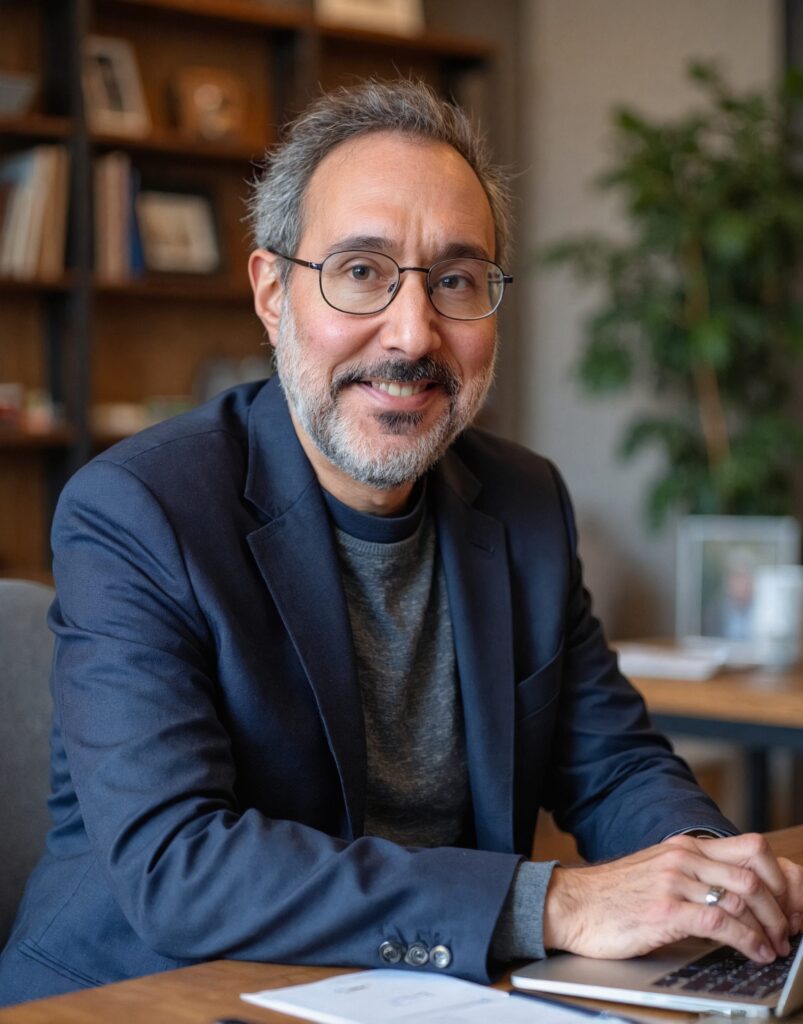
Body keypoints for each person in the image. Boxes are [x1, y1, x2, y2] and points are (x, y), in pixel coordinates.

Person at [1, 79, 801, 1007]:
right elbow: (180, 864)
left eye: (455, 280)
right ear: (272, 293)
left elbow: (613, 763)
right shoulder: (139, 510)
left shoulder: (524, 501)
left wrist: (709, 877)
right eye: (360, 271)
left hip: (431, 991)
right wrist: (555, 904)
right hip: (151, 994)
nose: (413, 333)